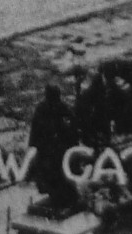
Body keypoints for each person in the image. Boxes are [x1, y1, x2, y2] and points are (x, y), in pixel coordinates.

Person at [27, 82, 79, 210]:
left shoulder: (56, 108)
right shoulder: (44, 110)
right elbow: (36, 134)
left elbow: (71, 125)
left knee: (61, 178)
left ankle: (63, 197)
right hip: (49, 152)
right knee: (55, 178)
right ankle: (59, 198)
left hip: (57, 151)